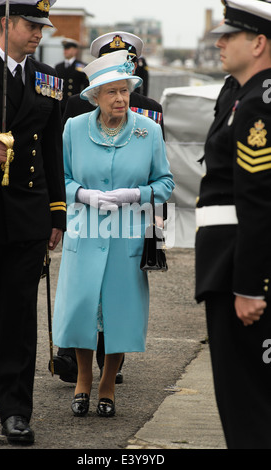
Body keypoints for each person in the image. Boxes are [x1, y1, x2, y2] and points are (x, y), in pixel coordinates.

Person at [52, 49, 174, 418]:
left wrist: (135, 194)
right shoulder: (73, 128)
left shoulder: (148, 130)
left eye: (125, 90)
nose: (121, 98)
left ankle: (108, 384)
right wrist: (83, 194)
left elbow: (166, 183)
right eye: (112, 92)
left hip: (128, 234)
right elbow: (61, 179)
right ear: (94, 96)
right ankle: (83, 381)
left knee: (120, 312)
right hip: (85, 232)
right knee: (83, 309)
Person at [0, 0, 66, 445]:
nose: (39, 34)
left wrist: (56, 213)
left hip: (28, 217)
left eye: (42, 27)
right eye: (31, 25)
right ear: (5, 23)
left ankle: (15, 409)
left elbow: (52, 150)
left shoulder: (49, 80)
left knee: (18, 318)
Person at [195, 0, 271, 449]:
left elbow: (258, 201)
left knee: (249, 407)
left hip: (239, 270)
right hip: (229, 263)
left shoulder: (258, 103)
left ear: (259, 42)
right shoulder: (243, 95)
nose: (219, 41)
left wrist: (250, 286)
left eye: (230, 35)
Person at [55, 38, 89, 115]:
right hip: (60, 104)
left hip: (75, 103)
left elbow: (85, 85)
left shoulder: (81, 66)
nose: (65, 51)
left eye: (68, 48)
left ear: (75, 51)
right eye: (64, 49)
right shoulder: (58, 67)